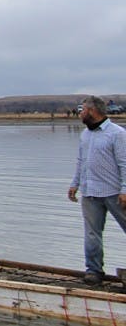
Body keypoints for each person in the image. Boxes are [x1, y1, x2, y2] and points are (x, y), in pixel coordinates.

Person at [68, 96, 126, 285]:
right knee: (92, 234)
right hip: (90, 192)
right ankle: (93, 271)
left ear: (92, 111)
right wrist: (75, 184)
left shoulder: (117, 133)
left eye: (82, 110)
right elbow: (81, 161)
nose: (80, 113)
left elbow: (124, 163)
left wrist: (124, 190)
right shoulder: (85, 134)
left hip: (114, 192)